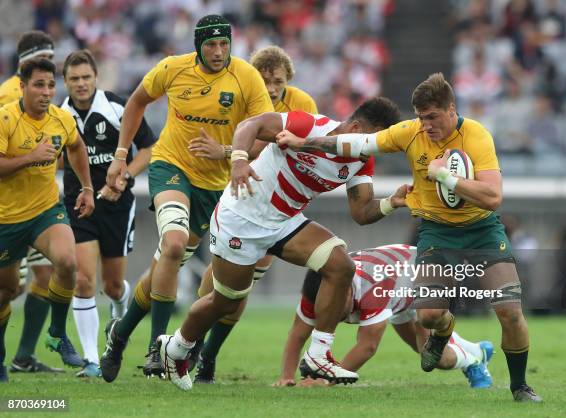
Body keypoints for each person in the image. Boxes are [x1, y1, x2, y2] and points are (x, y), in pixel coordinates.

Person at [277, 72, 542, 402]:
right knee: (429, 315)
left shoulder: (476, 136)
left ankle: (520, 387)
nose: (426, 125)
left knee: (510, 312)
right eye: (420, 117)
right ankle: (443, 332)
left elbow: (492, 197)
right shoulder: (410, 133)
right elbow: (358, 143)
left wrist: (443, 175)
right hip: (436, 232)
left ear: (451, 109)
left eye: (432, 117)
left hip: (482, 231)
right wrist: (307, 143)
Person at [157, 97, 405, 391]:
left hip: (284, 222)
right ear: (355, 127)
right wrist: (238, 161)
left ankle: (318, 354)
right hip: (241, 218)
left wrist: (391, 203)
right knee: (225, 302)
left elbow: (361, 213)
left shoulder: (361, 160)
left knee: (341, 266)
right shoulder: (310, 124)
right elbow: (252, 124)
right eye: (373, 141)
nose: (373, 149)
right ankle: (174, 349)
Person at [99, 14, 274, 383]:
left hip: (216, 186)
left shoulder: (246, 77)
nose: (218, 51)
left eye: (224, 43)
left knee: (166, 262)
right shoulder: (172, 69)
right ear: (197, 45)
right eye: (210, 44)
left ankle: (118, 335)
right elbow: (136, 103)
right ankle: (157, 347)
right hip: (171, 166)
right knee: (174, 245)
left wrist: (226, 151)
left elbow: (267, 132)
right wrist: (120, 155)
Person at [193, 45, 319, 384]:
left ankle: (207, 355)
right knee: (225, 276)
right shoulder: (241, 98)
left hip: (278, 203)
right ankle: (194, 344)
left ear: (287, 80)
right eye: (264, 80)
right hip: (240, 196)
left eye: (277, 80)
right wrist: (228, 152)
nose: (271, 86)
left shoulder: (303, 104)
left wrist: (225, 151)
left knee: (243, 282)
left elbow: (283, 146)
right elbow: (238, 142)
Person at [276, 244, 494, 388]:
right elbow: (297, 334)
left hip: (423, 277)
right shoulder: (316, 288)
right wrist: (286, 378)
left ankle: (473, 361)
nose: (329, 311)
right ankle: (477, 349)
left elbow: (367, 346)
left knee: (434, 359)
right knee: (421, 347)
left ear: (349, 290)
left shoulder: (371, 287)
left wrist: (326, 381)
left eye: (335, 304)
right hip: (398, 289)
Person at [61, 50, 156, 378]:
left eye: (86, 77)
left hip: (117, 207)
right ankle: (91, 360)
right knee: (84, 279)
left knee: (113, 285)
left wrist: (126, 174)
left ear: (96, 77)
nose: (81, 83)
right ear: (66, 82)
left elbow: (149, 149)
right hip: (78, 205)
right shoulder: (58, 114)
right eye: (74, 78)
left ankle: (118, 311)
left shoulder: (118, 106)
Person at [0, 57, 95, 382]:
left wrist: (86, 188)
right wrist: (30, 158)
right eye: (39, 85)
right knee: (7, 291)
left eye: (51, 85)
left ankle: (56, 332)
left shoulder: (61, 119)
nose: (46, 92)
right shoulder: (6, 118)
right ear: (23, 86)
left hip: (45, 211)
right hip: (6, 219)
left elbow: (77, 147)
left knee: (68, 262)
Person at [0, 30, 61, 374]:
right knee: (11, 286)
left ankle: (23, 356)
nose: (51, 70)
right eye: (46, 59)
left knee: (44, 274)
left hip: (38, 204)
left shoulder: (44, 92)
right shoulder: (12, 95)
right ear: (26, 63)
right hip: (11, 206)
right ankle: (18, 355)